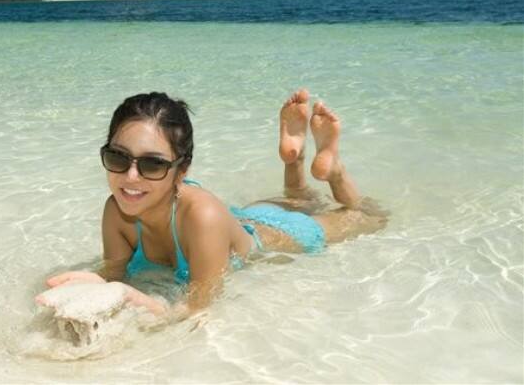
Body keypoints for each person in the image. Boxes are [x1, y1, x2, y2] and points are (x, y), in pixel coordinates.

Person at [42, 89, 386, 318]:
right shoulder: (116, 210)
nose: (130, 177)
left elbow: (199, 306)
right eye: (118, 158)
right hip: (236, 220)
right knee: (299, 198)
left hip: (279, 234)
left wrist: (141, 302)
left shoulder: (202, 215)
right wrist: (96, 283)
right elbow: (115, 273)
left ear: (182, 170)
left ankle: (335, 170)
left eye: (152, 164)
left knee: (370, 215)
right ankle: (293, 159)